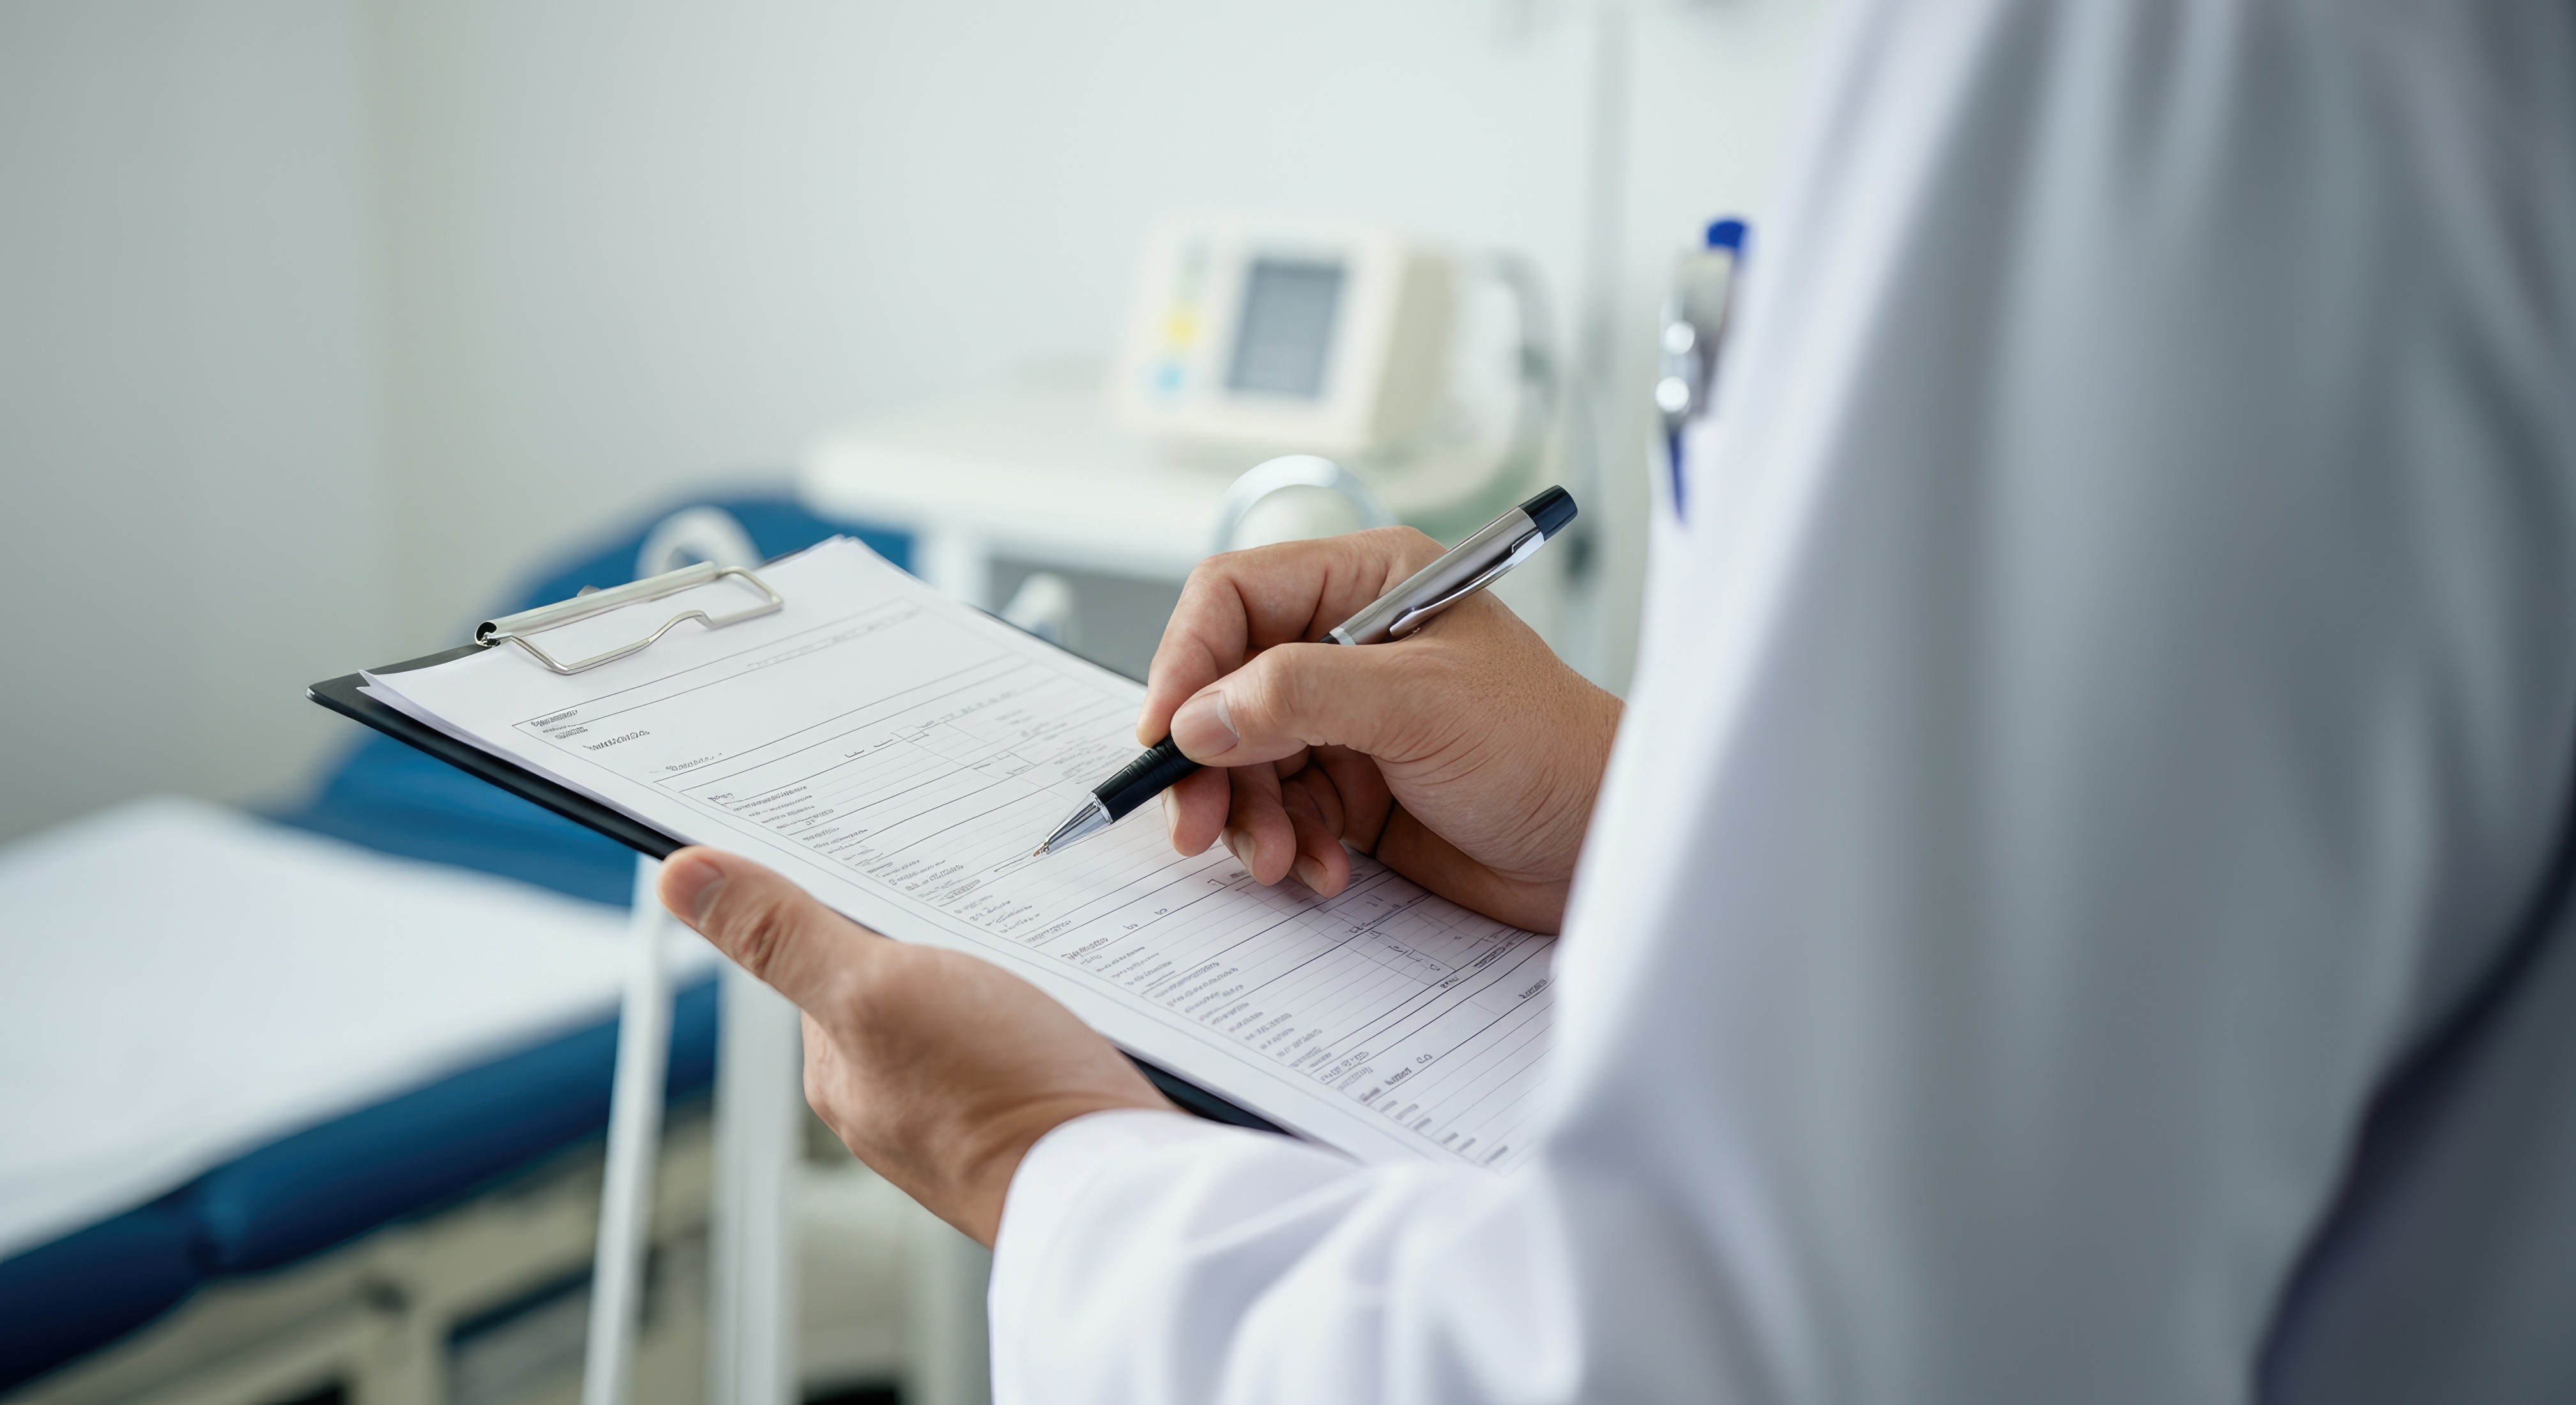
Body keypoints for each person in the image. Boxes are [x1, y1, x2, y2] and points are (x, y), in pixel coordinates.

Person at [652, 0, 2576, 1399]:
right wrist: (1629, 811)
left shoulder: (2176, 60)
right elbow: (2260, 855)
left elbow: (1768, 1358)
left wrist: (1049, 1173)